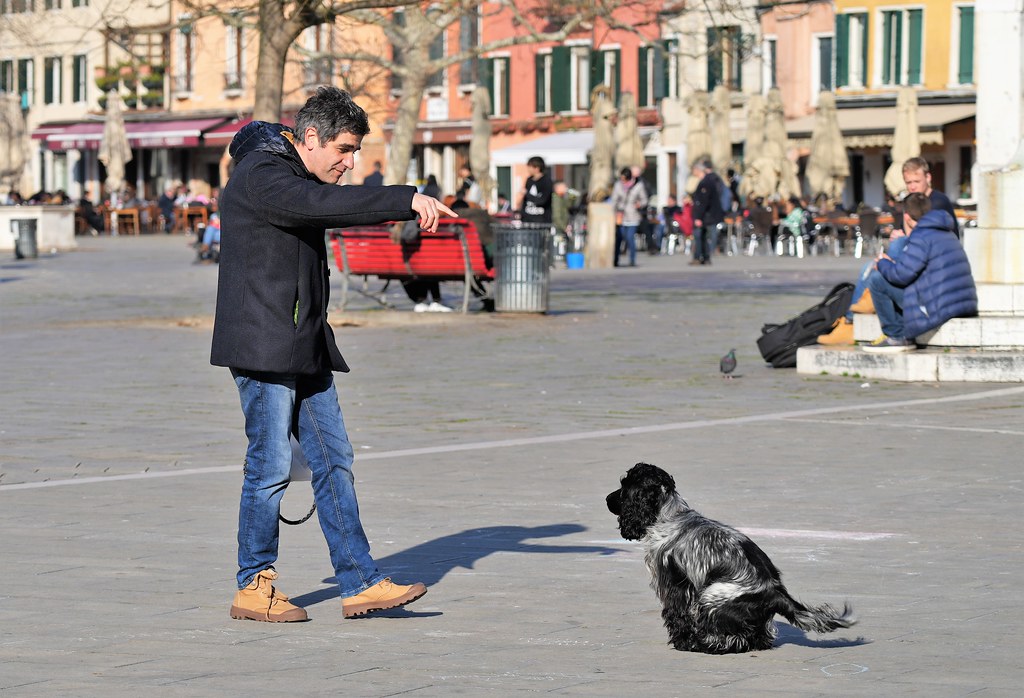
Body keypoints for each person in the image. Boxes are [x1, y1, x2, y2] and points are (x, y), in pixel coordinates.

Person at [212, 86, 454, 622]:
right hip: (263, 346)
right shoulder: (265, 177)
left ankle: (359, 580)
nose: (349, 163)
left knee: (335, 461)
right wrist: (403, 199)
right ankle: (254, 584)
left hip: (305, 345)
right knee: (270, 466)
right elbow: (323, 206)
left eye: (355, 153)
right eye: (343, 150)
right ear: (312, 138)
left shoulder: (291, 167)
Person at [862, 192, 977, 353]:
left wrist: (882, 263)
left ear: (907, 216)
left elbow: (902, 275)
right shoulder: (946, 231)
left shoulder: (921, 235)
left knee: (877, 279)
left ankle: (896, 336)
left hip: (941, 303)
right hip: (963, 301)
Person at [900, 156, 959, 237]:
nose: (912, 187)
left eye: (917, 181)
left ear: (928, 178)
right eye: (908, 183)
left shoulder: (939, 202)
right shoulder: (910, 202)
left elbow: (926, 235)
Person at [689, 159, 726, 266]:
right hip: (707, 215)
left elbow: (703, 202)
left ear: (698, 170)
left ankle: (699, 257)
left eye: (693, 170)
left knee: (699, 236)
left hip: (705, 215)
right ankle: (705, 257)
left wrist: (698, 217)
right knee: (704, 236)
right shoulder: (707, 181)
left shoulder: (705, 182)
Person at [610, 167, 648, 267]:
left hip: (633, 216)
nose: (622, 180)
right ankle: (615, 259)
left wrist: (639, 204)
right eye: (621, 178)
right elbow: (614, 200)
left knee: (630, 238)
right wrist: (612, 212)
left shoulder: (638, 186)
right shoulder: (618, 185)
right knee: (619, 238)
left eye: (624, 178)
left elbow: (644, 200)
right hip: (620, 215)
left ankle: (632, 259)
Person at [518, 156, 553, 224]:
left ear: (537, 168)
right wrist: (522, 214)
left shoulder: (547, 181)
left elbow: (542, 200)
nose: (528, 169)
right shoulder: (529, 180)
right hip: (527, 220)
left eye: (530, 167)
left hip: (542, 221)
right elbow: (525, 201)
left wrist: (527, 193)